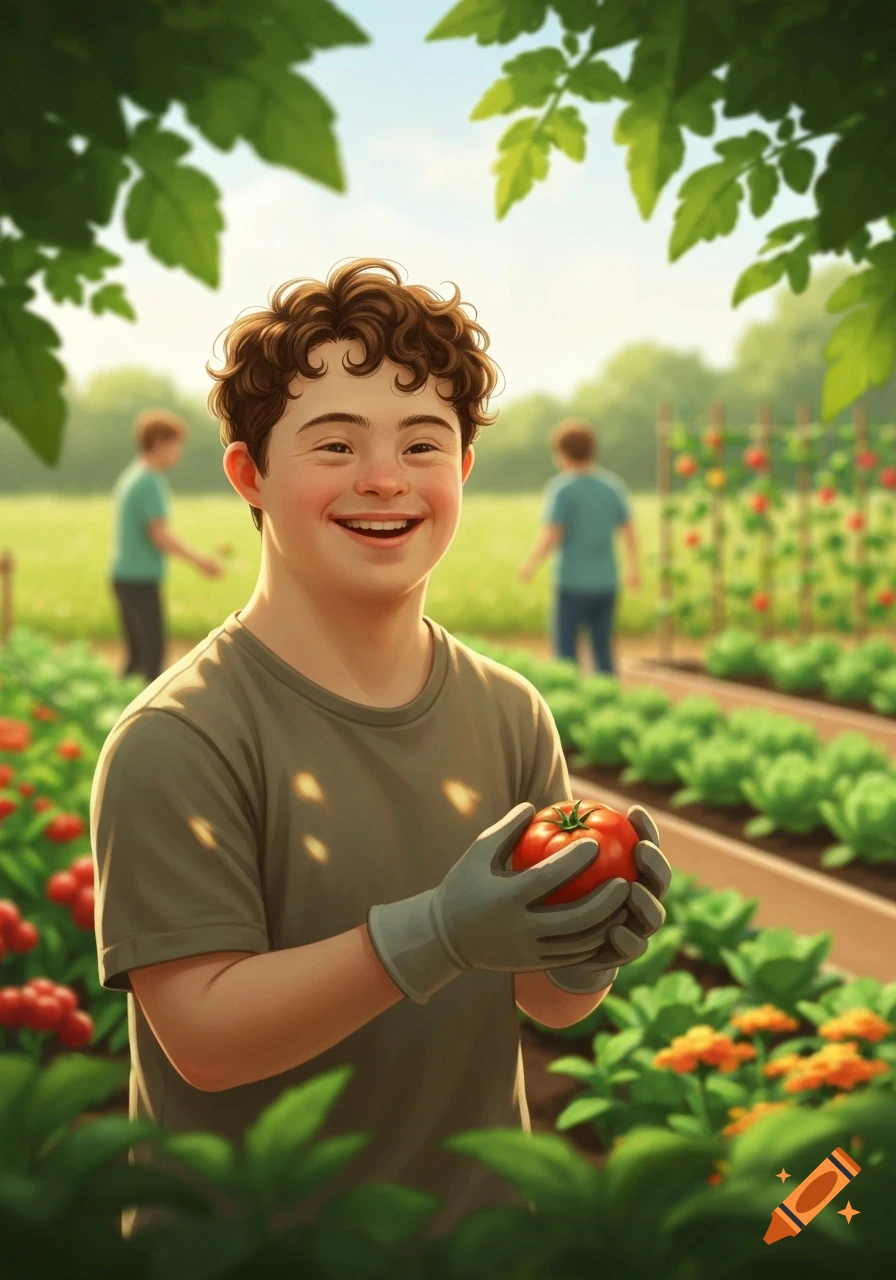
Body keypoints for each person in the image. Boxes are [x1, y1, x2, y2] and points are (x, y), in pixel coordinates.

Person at [90, 259, 671, 1242]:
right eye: (335, 443)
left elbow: (543, 1002)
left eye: (422, 443)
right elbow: (205, 1038)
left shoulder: (509, 711)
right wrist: (435, 933)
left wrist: (588, 948)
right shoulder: (180, 736)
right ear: (249, 474)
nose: (385, 478)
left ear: (462, 470)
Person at [109, 409, 223, 683]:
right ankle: (139, 710)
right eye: (176, 445)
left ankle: (116, 704)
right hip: (139, 579)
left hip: (125, 576)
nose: (178, 453)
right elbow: (159, 535)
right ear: (159, 443)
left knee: (138, 656)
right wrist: (200, 561)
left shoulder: (132, 475)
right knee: (152, 655)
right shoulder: (150, 481)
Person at [519, 420, 640, 676]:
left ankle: (569, 692)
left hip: (571, 582)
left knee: (566, 651)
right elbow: (628, 530)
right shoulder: (611, 486)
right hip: (606, 581)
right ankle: (607, 693)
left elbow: (552, 534)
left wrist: (531, 565)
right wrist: (633, 569)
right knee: (602, 647)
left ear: (563, 454)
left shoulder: (563, 489)